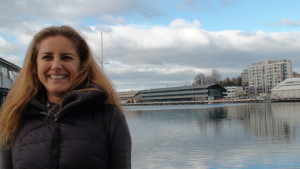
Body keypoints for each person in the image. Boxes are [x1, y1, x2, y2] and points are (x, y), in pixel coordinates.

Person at [0, 25, 131, 169]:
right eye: (47, 57)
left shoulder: (109, 118)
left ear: (81, 65)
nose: (56, 65)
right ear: (34, 66)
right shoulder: (13, 117)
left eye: (66, 57)